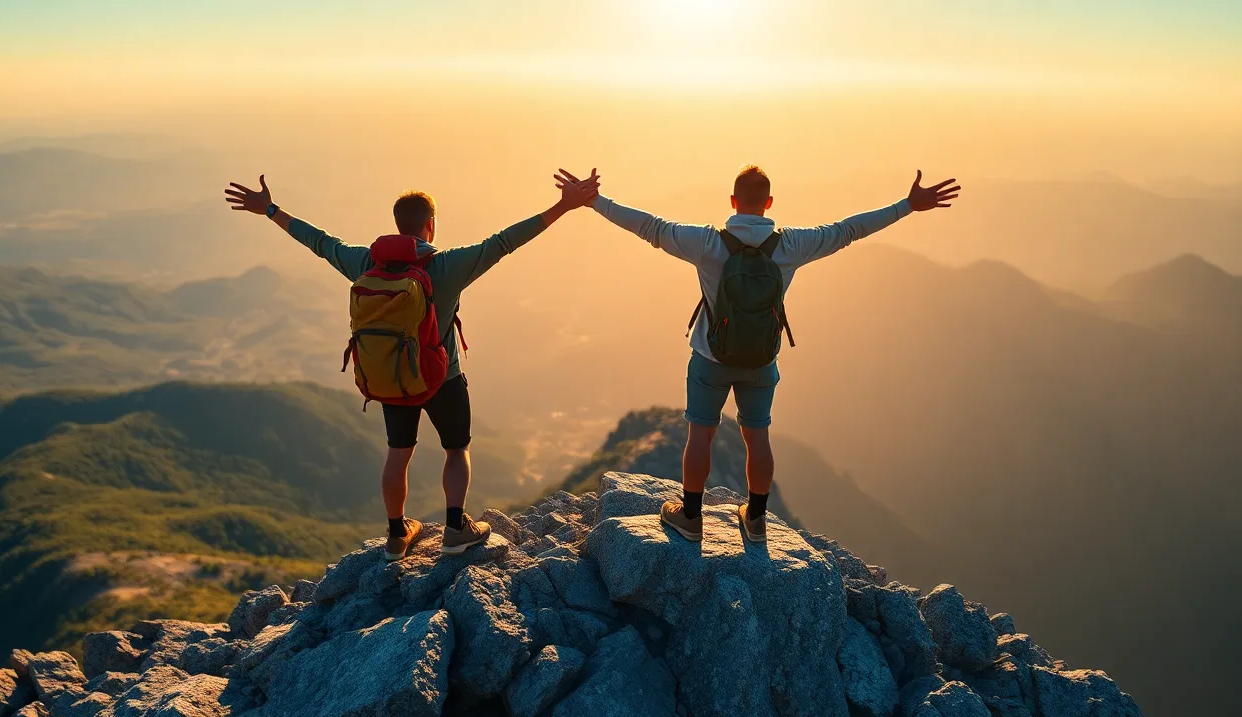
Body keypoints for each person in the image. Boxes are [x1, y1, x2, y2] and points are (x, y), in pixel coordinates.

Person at [558, 165, 959, 543]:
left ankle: (691, 517)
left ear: (733, 201)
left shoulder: (708, 242)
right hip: (762, 362)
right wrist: (907, 205)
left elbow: (649, 227)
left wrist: (594, 201)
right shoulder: (792, 244)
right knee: (757, 436)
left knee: (701, 433)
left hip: (710, 359)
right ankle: (756, 520)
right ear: (769, 203)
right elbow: (848, 230)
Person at [225, 170, 601, 561]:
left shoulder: (367, 262)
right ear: (431, 226)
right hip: (444, 378)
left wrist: (270, 209)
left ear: (398, 225)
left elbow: (320, 243)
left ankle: (395, 535)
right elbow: (505, 242)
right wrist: (564, 205)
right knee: (456, 450)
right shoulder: (447, 267)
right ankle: (456, 528)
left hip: (393, 379)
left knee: (398, 453)